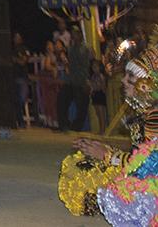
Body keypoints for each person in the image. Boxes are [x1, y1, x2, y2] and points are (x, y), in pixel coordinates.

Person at [58, 29, 158, 221]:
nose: (123, 80)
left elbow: (148, 165)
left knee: (119, 193)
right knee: (82, 167)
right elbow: (139, 152)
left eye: (130, 77)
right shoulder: (146, 113)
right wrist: (101, 148)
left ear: (146, 85)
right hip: (143, 172)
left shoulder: (154, 117)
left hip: (150, 181)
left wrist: (108, 155)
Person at [58, 24, 91, 132]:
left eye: (76, 34)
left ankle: (76, 126)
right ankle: (64, 125)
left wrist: (86, 80)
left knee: (82, 106)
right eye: (73, 34)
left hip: (80, 81)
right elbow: (69, 64)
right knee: (62, 101)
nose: (74, 36)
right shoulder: (71, 48)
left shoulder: (84, 48)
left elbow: (85, 66)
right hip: (70, 80)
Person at [11, 32, 32, 128]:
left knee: (22, 99)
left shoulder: (25, 49)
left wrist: (17, 60)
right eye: (15, 37)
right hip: (14, 77)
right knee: (16, 100)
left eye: (18, 37)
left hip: (22, 77)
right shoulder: (11, 49)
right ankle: (19, 122)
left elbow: (24, 61)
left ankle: (20, 120)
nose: (16, 39)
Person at [90, 59, 109, 134]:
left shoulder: (101, 76)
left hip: (100, 94)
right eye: (93, 67)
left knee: (101, 114)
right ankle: (101, 129)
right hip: (95, 94)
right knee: (98, 113)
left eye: (95, 67)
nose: (94, 68)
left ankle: (103, 130)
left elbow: (103, 87)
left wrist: (98, 87)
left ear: (99, 67)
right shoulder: (93, 76)